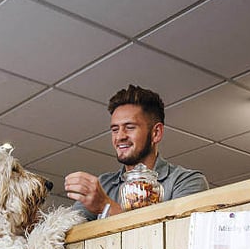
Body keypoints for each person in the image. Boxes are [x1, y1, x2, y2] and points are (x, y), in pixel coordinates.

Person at [65, 85, 209, 221]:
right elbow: (68, 235)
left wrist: (105, 206)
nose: (120, 136)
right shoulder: (103, 185)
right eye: (115, 129)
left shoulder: (186, 181)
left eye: (130, 127)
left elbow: (177, 235)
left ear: (156, 133)